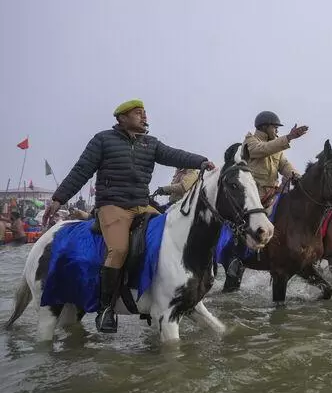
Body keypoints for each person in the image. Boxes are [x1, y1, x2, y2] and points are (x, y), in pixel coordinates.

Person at [44, 99, 214, 334]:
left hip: (141, 206)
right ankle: (105, 309)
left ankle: (160, 293)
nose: (144, 117)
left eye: (145, 113)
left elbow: (175, 155)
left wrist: (200, 160)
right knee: (120, 249)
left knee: (168, 236)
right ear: (122, 118)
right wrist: (58, 198)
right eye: (138, 113)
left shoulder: (151, 144)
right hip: (112, 206)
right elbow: (81, 170)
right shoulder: (103, 140)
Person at [242, 111, 308, 208]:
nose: (277, 131)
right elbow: (264, 148)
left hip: (272, 196)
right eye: (275, 128)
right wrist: (289, 137)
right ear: (264, 127)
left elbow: (285, 165)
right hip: (252, 196)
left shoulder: (276, 146)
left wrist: (298, 178)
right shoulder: (250, 142)